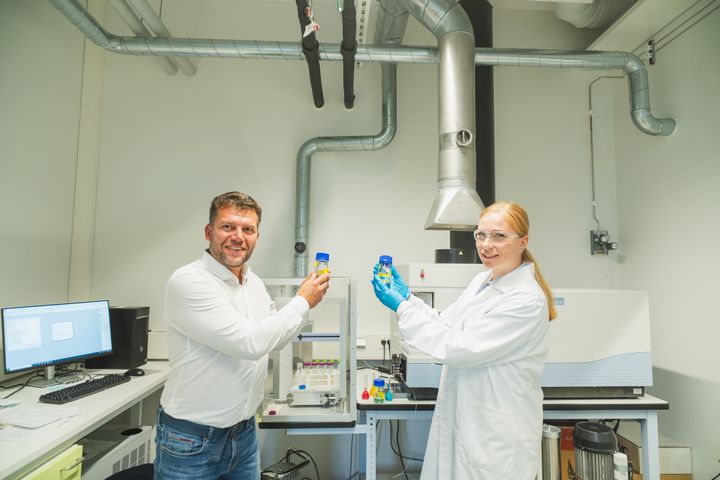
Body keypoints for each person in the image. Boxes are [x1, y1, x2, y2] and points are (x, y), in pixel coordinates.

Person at [371, 201, 557, 480]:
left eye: (499, 236)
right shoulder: (482, 282)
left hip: (495, 436)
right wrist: (408, 298)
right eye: (480, 235)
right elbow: (446, 322)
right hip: (468, 420)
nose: (486, 244)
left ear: (523, 241)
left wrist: (402, 307)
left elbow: (460, 346)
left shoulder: (525, 300)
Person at [155, 191, 330, 480]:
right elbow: (249, 343)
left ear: (256, 237)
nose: (238, 236)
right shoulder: (189, 281)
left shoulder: (253, 283)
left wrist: (304, 304)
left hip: (244, 434)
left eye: (248, 230)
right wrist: (302, 302)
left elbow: (276, 338)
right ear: (209, 232)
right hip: (192, 440)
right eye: (228, 227)